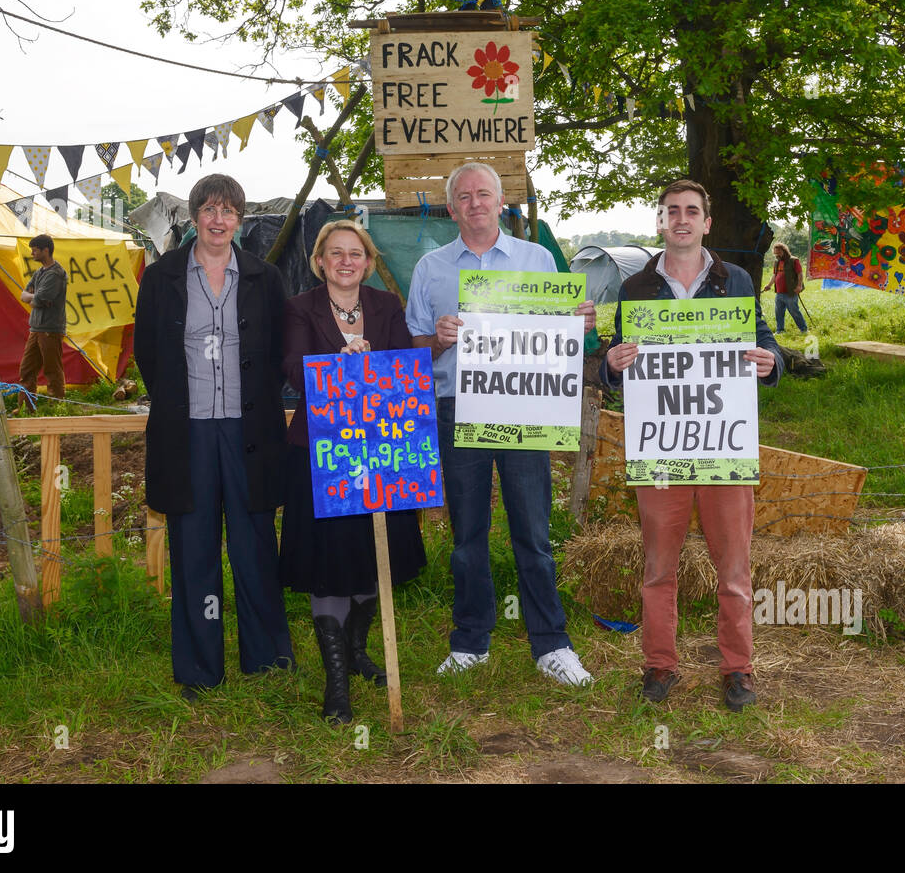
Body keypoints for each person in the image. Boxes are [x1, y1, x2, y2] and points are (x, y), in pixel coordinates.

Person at [405, 161, 595, 686]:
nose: (474, 203)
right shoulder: (430, 268)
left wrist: (580, 324)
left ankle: (551, 644)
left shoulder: (537, 259)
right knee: (467, 533)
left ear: (500, 201)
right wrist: (437, 340)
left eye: (483, 194)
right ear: (451, 208)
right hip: (457, 409)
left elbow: (562, 336)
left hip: (524, 410)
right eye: (463, 197)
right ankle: (470, 640)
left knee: (532, 530)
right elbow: (414, 346)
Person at [601, 180, 782, 712]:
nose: (681, 219)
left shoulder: (737, 280)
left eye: (692, 211)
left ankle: (738, 669)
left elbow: (764, 336)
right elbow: (619, 351)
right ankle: (660, 664)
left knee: (734, 566)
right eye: (672, 211)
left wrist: (771, 361)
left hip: (725, 445)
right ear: (660, 222)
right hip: (663, 449)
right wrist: (612, 364)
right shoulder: (636, 288)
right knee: (659, 565)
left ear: (707, 222)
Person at [133, 174, 294, 701]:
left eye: (229, 211)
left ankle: (267, 658)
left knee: (253, 543)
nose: (219, 220)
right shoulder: (161, 278)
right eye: (209, 209)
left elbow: (276, 354)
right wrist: (181, 400)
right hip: (189, 433)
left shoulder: (264, 278)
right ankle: (200, 668)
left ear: (239, 220)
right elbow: (148, 354)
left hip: (250, 430)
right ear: (195, 217)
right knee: (193, 546)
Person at [279, 219, 427, 723]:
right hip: (322, 455)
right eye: (336, 253)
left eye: (356, 253)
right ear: (320, 260)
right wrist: (340, 365)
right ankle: (336, 684)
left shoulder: (387, 306)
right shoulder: (299, 308)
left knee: (371, 558)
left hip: (383, 452)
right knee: (330, 564)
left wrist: (378, 365)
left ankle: (360, 650)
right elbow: (295, 369)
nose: (346, 261)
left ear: (367, 261)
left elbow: (406, 364)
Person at [18, 234, 68, 406]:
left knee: (52, 369)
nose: (32, 253)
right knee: (26, 369)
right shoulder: (40, 272)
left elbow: (38, 299)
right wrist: (34, 297)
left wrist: (33, 297)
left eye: (35, 250)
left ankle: (56, 406)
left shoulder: (56, 274)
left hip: (50, 329)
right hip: (36, 328)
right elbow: (26, 295)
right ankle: (26, 406)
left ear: (45, 250)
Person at [764, 243, 807, 334]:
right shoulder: (777, 262)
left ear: (784, 251)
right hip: (779, 293)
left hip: (790, 292)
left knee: (794, 311)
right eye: (775, 253)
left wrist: (799, 286)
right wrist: (769, 285)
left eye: (779, 253)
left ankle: (804, 329)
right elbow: (774, 275)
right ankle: (780, 330)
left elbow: (800, 274)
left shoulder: (794, 260)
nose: (777, 255)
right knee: (778, 312)